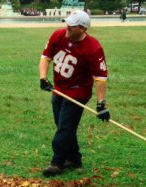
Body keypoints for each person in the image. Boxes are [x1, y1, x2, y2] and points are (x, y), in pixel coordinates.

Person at [38, 10, 109, 177]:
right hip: (59, 89)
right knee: (63, 125)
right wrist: (43, 78)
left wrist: (101, 105)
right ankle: (74, 158)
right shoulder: (58, 35)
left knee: (64, 128)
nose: (67, 27)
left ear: (83, 29)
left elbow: (100, 78)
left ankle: (57, 162)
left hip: (78, 92)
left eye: (72, 26)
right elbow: (46, 57)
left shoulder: (93, 48)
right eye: (67, 23)